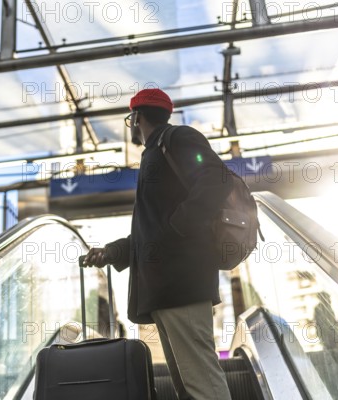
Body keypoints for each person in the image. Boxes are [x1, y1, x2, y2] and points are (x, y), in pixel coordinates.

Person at [83, 88, 233, 400]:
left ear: (136, 116)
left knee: (201, 382)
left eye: (131, 118)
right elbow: (151, 234)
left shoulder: (176, 138)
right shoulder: (155, 153)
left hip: (182, 283)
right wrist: (111, 252)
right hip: (166, 289)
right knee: (188, 387)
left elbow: (217, 179)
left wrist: (178, 228)